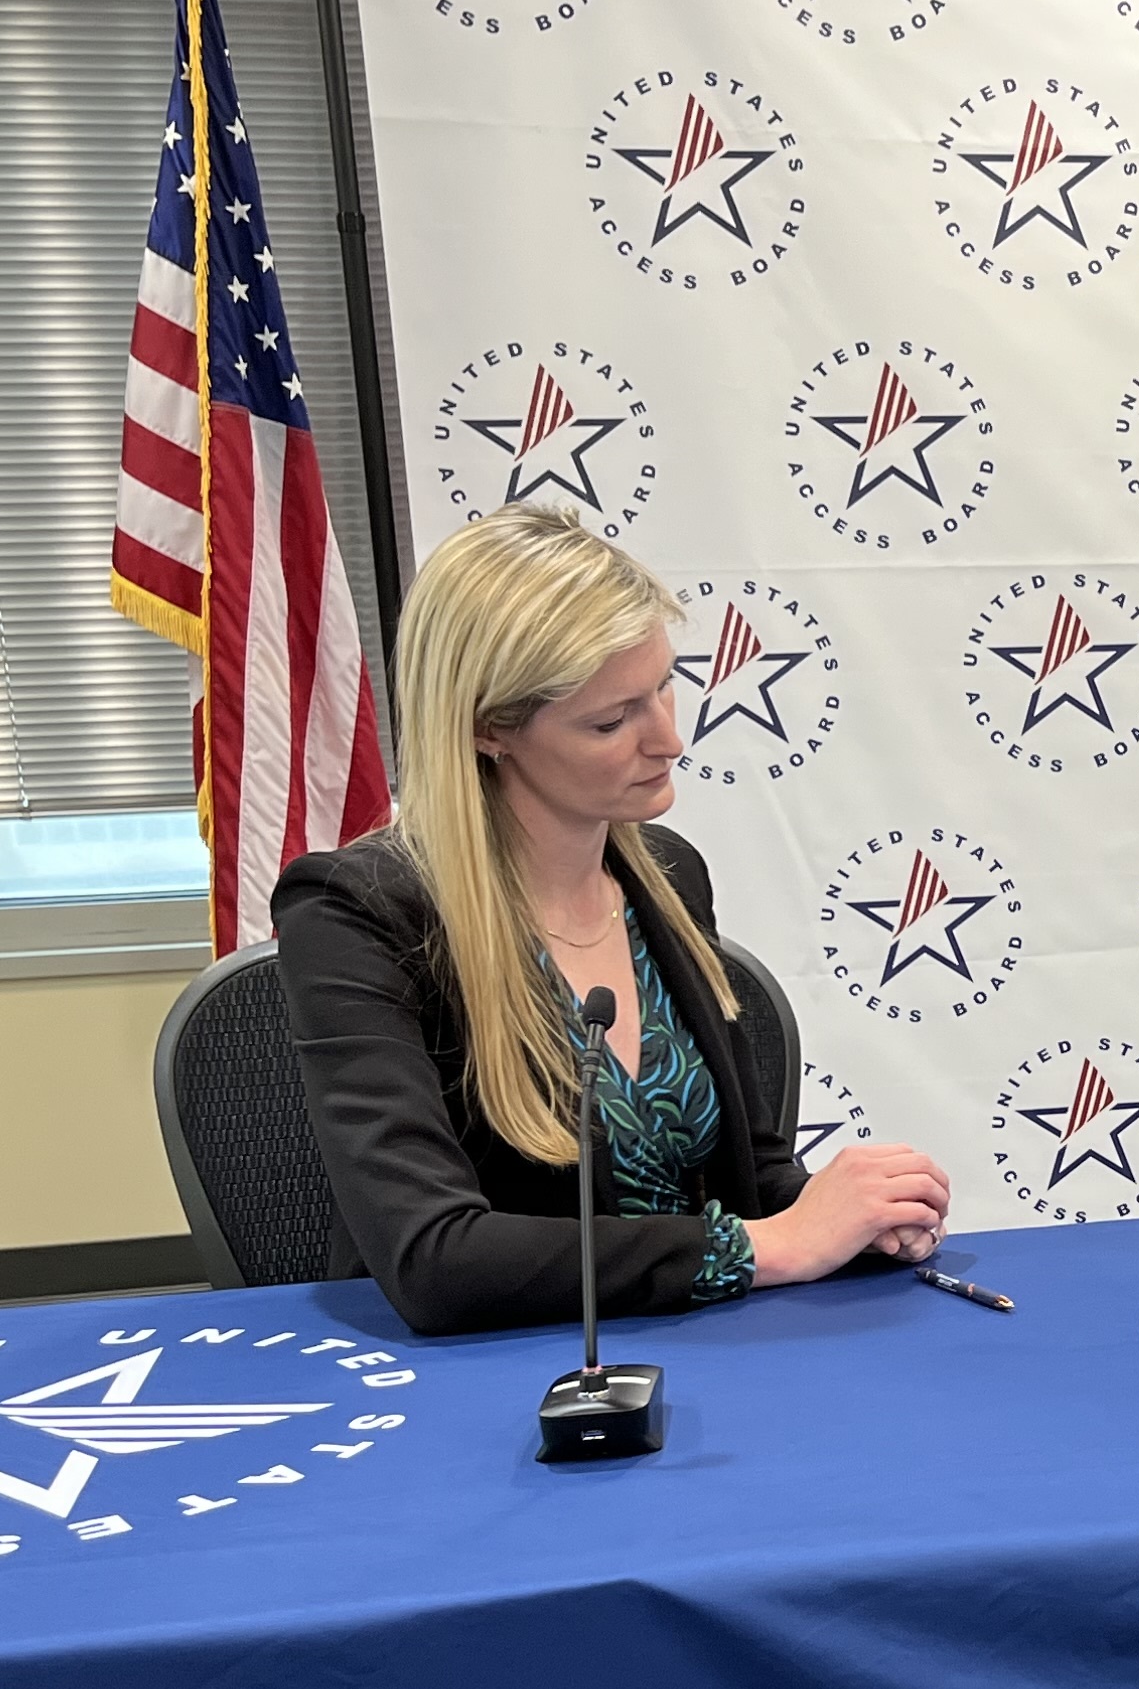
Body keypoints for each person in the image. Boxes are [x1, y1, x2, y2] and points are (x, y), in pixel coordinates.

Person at [274, 505, 950, 1334]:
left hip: (710, 1347)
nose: (668, 739)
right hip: (499, 1386)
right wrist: (764, 1249)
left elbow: (744, 1172)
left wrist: (848, 1216)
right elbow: (436, 1259)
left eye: (665, 686)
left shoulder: (666, 874)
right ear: (489, 729)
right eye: (611, 719)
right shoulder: (355, 913)